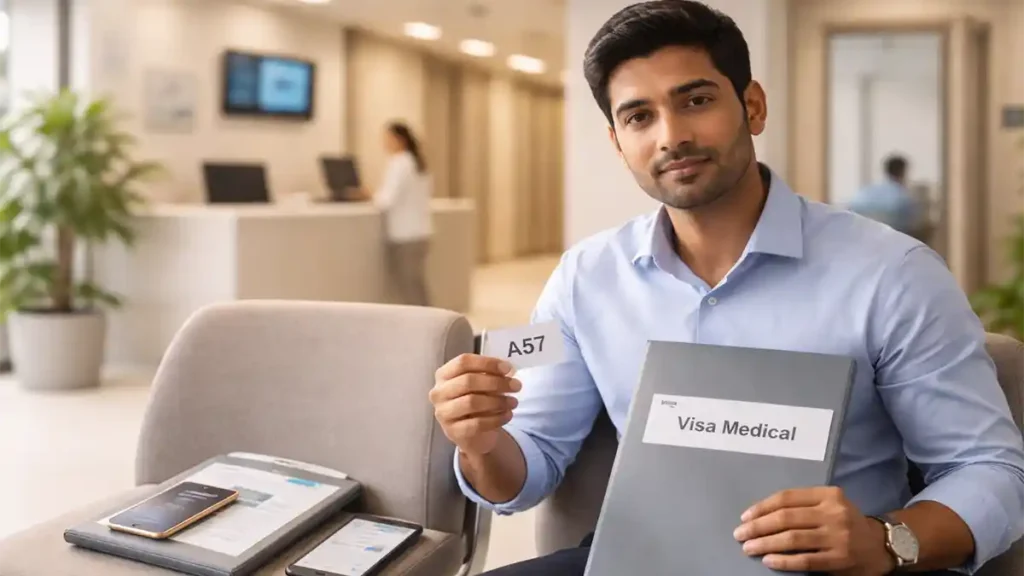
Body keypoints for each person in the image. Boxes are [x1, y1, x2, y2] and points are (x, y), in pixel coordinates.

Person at [428, 2, 1024, 575]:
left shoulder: (893, 273)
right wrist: (483, 441)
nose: (672, 136)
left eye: (696, 100)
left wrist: (885, 539)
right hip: (639, 560)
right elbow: (527, 468)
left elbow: (992, 471)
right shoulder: (583, 280)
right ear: (617, 142)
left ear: (753, 106)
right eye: (639, 116)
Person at [364, 122, 433, 306]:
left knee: (410, 287)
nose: (384, 143)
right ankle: (429, 324)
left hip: (405, 235)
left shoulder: (400, 163)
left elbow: (385, 200)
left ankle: (427, 327)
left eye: (387, 138)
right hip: (419, 233)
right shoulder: (416, 162)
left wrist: (368, 195)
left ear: (399, 140)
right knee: (415, 285)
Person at [847, 154, 925, 236]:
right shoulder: (903, 197)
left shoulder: (865, 191)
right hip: (893, 241)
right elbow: (914, 224)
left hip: (861, 237)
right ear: (902, 171)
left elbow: (851, 211)